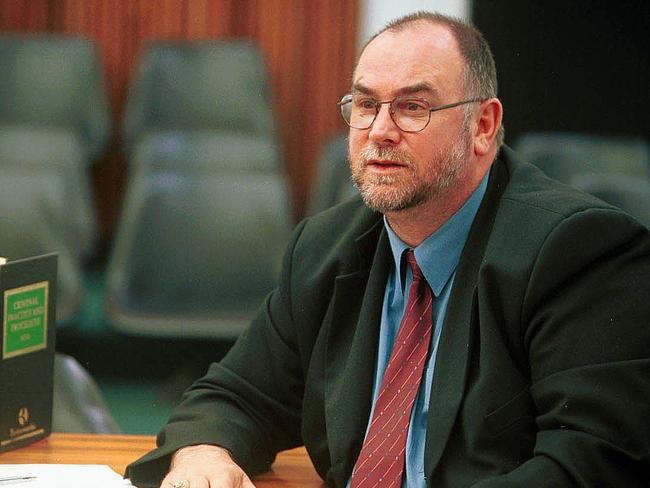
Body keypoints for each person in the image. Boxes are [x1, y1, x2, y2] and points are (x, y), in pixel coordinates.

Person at [126, 11, 650, 488]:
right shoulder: (326, 249)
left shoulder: (575, 250)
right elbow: (235, 396)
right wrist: (203, 454)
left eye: (412, 107)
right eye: (365, 104)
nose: (379, 131)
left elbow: (591, 463)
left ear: (483, 127)